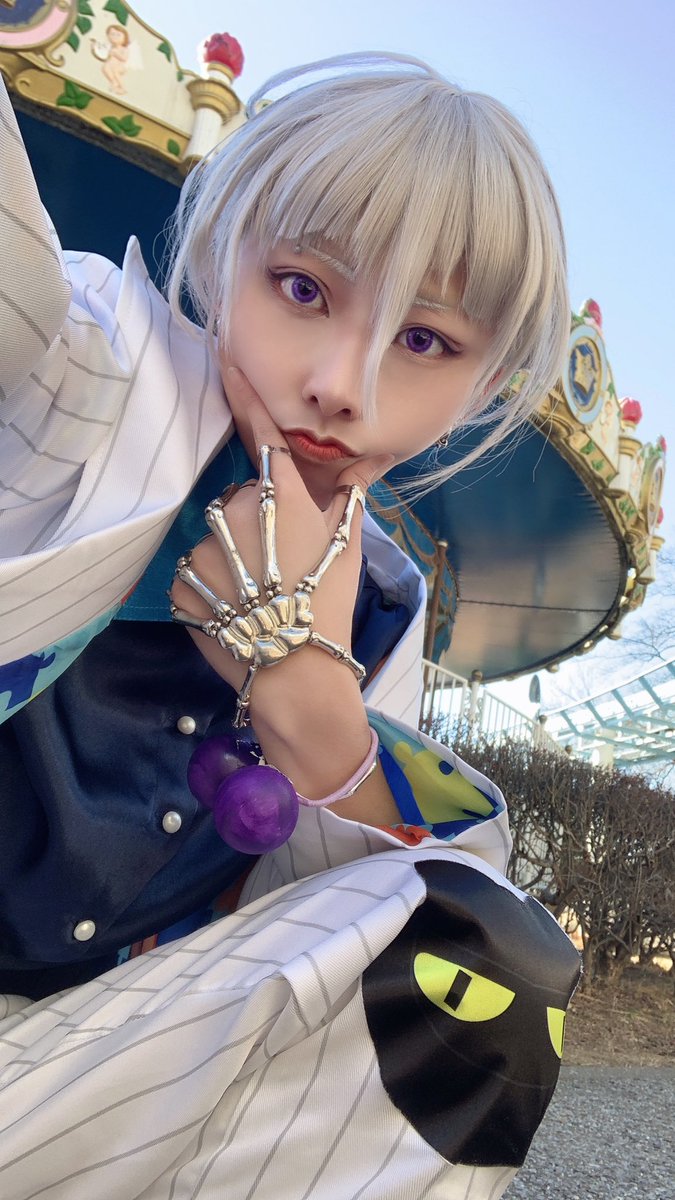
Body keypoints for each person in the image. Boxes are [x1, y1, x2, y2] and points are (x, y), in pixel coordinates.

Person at [0, 53, 580, 1199]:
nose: (342, 385)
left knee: (491, 970)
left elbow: (351, 952)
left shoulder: (387, 611)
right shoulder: (85, 363)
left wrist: (315, 711)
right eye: (304, 289)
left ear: (485, 383)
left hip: (92, 1083)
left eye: (426, 341)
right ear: (223, 252)